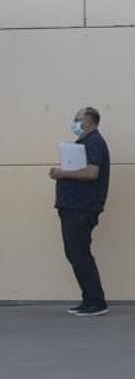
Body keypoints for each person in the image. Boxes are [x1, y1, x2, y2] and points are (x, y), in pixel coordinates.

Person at [51, 107, 111, 317]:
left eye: (77, 119)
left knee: (79, 254)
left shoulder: (94, 141)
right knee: (75, 253)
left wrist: (62, 173)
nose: (74, 123)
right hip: (73, 207)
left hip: (82, 208)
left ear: (90, 122)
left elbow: (92, 173)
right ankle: (89, 300)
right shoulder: (84, 143)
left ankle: (96, 302)